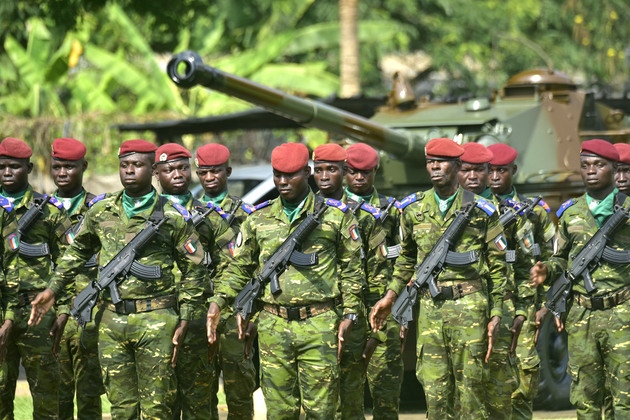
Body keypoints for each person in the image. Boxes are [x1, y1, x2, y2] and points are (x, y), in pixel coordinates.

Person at [29, 139, 207, 419]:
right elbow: (75, 253)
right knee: (121, 409)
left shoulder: (172, 215)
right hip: (111, 321)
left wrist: (184, 318)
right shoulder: (101, 211)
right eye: (124, 165)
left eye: (138, 165)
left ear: (153, 169)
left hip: (157, 320)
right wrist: (52, 290)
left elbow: (195, 270)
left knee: (157, 408)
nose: (130, 171)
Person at [206, 142, 364, 419]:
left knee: (322, 410)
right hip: (273, 326)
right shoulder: (258, 218)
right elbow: (239, 268)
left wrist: (350, 313)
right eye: (277, 174)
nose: (281, 182)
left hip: (320, 322)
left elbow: (352, 269)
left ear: (307, 172)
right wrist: (219, 301)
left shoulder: (335, 216)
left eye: (289, 175)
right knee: (279, 411)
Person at [370, 137, 509, 419]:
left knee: (470, 394)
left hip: (469, 307)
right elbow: (406, 260)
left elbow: (498, 267)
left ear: (457, 166)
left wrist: (496, 313)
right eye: (430, 162)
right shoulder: (412, 208)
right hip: (430, 312)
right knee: (434, 394)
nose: (434, 167)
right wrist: (391, 295)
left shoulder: (482, 210)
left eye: (441, 162)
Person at [531, 139, 630, 418]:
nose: (591, 171)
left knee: (624, 398)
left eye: (599, 165)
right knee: (585, 399)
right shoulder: (569, 212)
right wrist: (546, 271)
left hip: (622, 312)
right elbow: (560, 259)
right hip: (582, 316)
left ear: (613, 169)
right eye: (585, 165)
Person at [0, 137, 73, 420]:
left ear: (28, 167)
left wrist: (65, 308)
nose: (7, 173)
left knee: (46, 400)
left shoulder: (50, 211)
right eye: (2, 167)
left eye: (14, 167)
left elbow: (70, 263)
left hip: (38, 314)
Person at [154, 143, 225, 420]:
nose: (177, 174)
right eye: (169, 169)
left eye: (183, 168)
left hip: (197, 321)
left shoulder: (209, 217)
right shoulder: (142, 215)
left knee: (200, 404)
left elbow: (231, 265)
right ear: (156, 173)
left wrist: (217, 305)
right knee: (158, 404)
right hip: (155, 320)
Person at [488, 143, 555, 420]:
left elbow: (554, 254)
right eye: (489, 170)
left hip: (525, 306)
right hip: (487, 304)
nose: (494, 176)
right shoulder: (474, 210)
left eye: (501, 170)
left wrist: (548, 302)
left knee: (523, 379)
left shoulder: (535, 210)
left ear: (513, 171)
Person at [311, 143, 379, 419]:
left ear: (343, 171)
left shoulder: (363, 215)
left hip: (355, 318)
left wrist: (377, 329)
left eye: (332, 169)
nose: (325, 176)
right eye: (319, 170)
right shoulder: (304, 210)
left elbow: (378, 272)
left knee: (351, 400)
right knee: (318, 403)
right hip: (313, 319)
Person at [195, 143, 257, 419]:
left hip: (236, 314)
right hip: (197, 311)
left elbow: (259, 268)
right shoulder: (185, 213)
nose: (209, 178)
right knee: (200, 393)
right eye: (204, 172)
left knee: (240, 391)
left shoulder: (248, 214)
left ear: (228, 172)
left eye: (216, 172)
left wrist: (254, 313)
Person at [458, 142, 519, 419]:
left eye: (480, 170)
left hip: (500, 308)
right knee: (459, 388)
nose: (475, 176)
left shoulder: (507, 212)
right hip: (456, 310)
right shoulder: (447, 208)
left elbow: (523, 263)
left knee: (497, 389)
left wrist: (521, 310)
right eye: (466, 169)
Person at [345, 143, 404, 419]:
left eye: (365, 172)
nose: (359, 177)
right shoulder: (329, 210)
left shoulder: (392, 210)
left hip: (385, 313)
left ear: (375, 171)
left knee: (385, 396)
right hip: (344, 311)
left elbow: (408, 261)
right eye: (353, 171)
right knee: (346, 399)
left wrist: (402, 314)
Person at [50, 137, 106, 420]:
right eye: (57, 167)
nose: (62, 173)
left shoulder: (101, 211)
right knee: (56, 397)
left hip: (90, 317)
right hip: (51, 317)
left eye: (69, 167)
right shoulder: (40, 211)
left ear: (83, 167)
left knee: (89, 398)